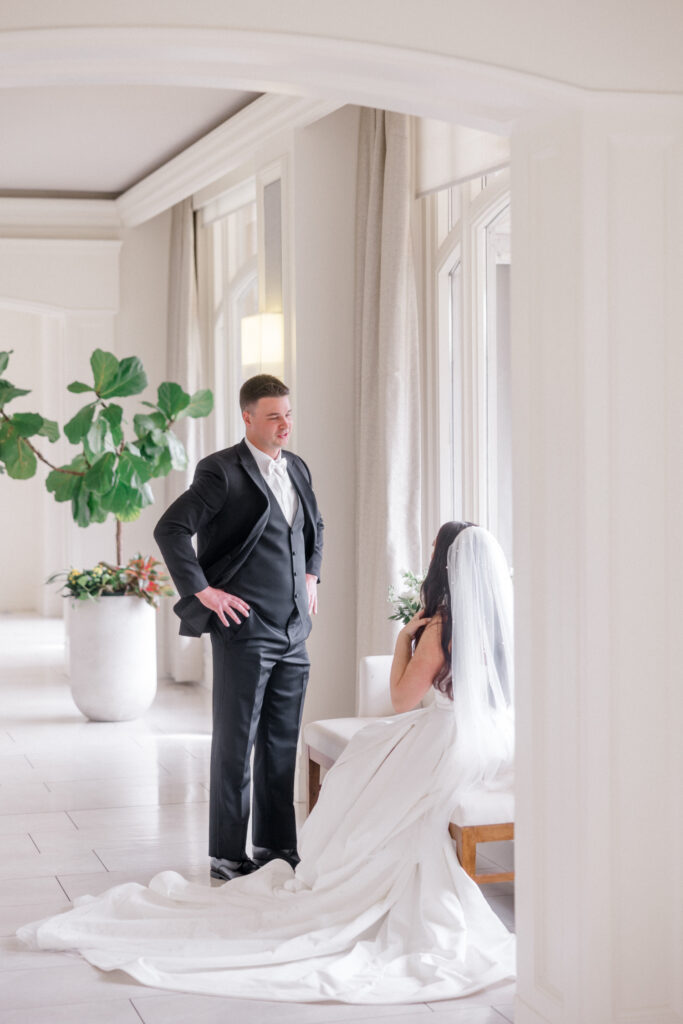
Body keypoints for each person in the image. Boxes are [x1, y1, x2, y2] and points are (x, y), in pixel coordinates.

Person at [18, 522, 515, 1004]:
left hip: (442, 735)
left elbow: (403, 701)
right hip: (486, 740)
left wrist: (403, 637)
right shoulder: (493, 623)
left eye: (434, 551)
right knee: (369, 757)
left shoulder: (438, 629)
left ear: (446, 563)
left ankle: (338, 870)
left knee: (364, 763)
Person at [152, 374, 324, 881]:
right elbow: (171, 529)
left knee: (280, 742)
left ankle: (276, 847)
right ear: (247, 417)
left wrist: (312, 573)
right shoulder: (220, 471)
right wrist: (203, 591)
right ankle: (227, 855)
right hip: (245, 629)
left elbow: (316, 525)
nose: (284, 424)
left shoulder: (297, 467)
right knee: (235, 744)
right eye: (273, 416)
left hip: (294, 630)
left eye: (288, 414)